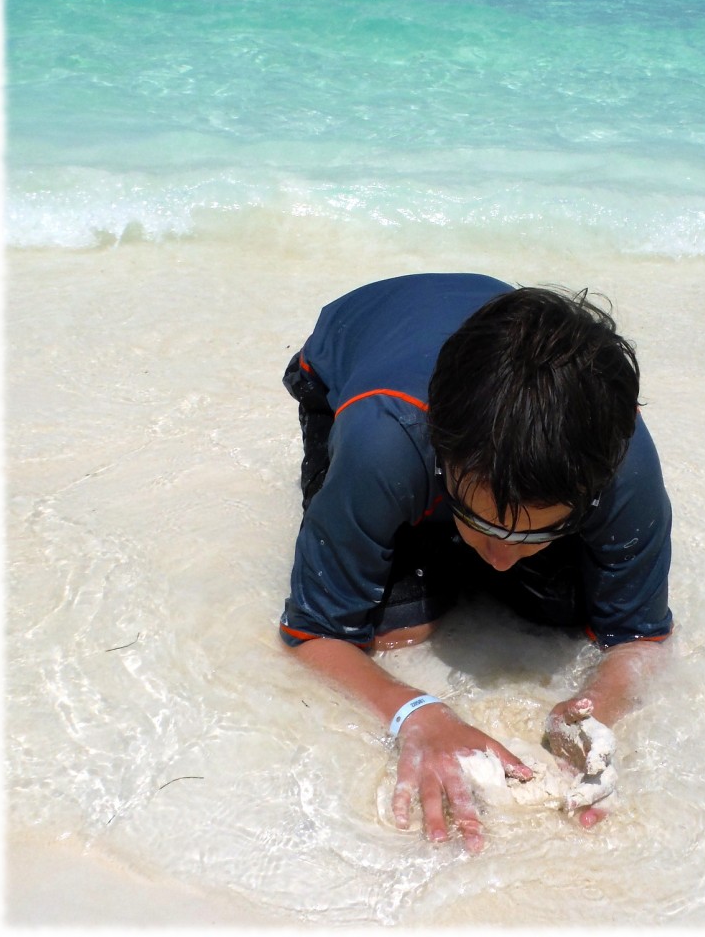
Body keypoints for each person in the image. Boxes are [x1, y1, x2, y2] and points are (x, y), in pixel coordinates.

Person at [280, 272, 673, 853]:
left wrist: (597, 714)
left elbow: (639, 637)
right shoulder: (385, 442)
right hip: (360, 365)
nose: (501, 558)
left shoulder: (621, 465)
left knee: (568, 615)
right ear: (441, 452)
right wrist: (415, 711)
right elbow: (313, 634)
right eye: (484, 524)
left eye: (542, 530)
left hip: (471, 427)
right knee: (397, 632)